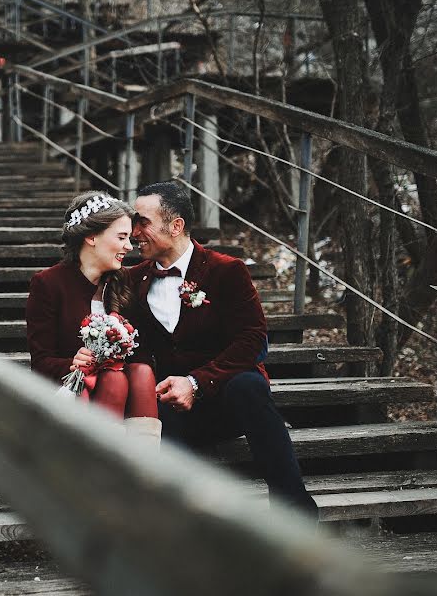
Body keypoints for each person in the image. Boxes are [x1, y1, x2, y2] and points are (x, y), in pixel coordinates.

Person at [127, 180, 318, 516]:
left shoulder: (226, 270)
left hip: (228, 398)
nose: (133, 232)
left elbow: (253, 339)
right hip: (172, 408)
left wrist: (197, 382)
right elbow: (136, 346)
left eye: (142, 222)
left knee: (249, 385)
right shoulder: (133, 279)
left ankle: (294, 512)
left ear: (176, 225)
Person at [26, 191, 161, 447]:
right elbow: (41, 363)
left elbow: (141, 354)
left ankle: (145, 468)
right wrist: (73, 363)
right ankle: (100, 470)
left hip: (125, 390)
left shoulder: (124, 282)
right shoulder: (48, 284)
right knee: (114, 378)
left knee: (142, 371)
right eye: (121, 237)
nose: (129, 247)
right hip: (71, 395)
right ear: (91, 237)